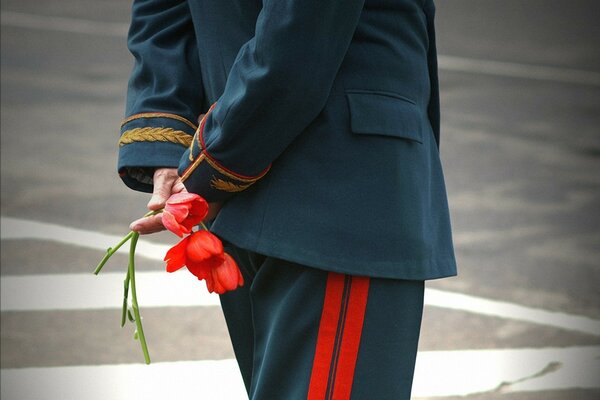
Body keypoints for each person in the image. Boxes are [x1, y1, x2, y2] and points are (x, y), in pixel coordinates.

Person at [118, 0, 457, 398]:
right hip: (338, 181)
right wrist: (200, 160)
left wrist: (191, 153)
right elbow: (299, 33)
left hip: (238, 166)